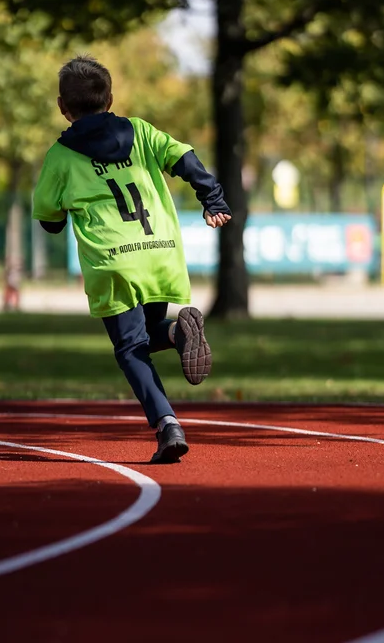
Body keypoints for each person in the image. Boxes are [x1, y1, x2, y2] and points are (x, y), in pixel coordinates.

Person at [33, 55, 232, 463]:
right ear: (110, 99)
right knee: (146, 334)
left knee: (129, 348)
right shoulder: (139, 131)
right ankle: (177, 334)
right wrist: (211, 196)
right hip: (159, 251)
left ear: (61, 106)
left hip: (114, 262)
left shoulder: (60, 156)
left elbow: (49, 222)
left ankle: (167, 424)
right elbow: (183, 157)